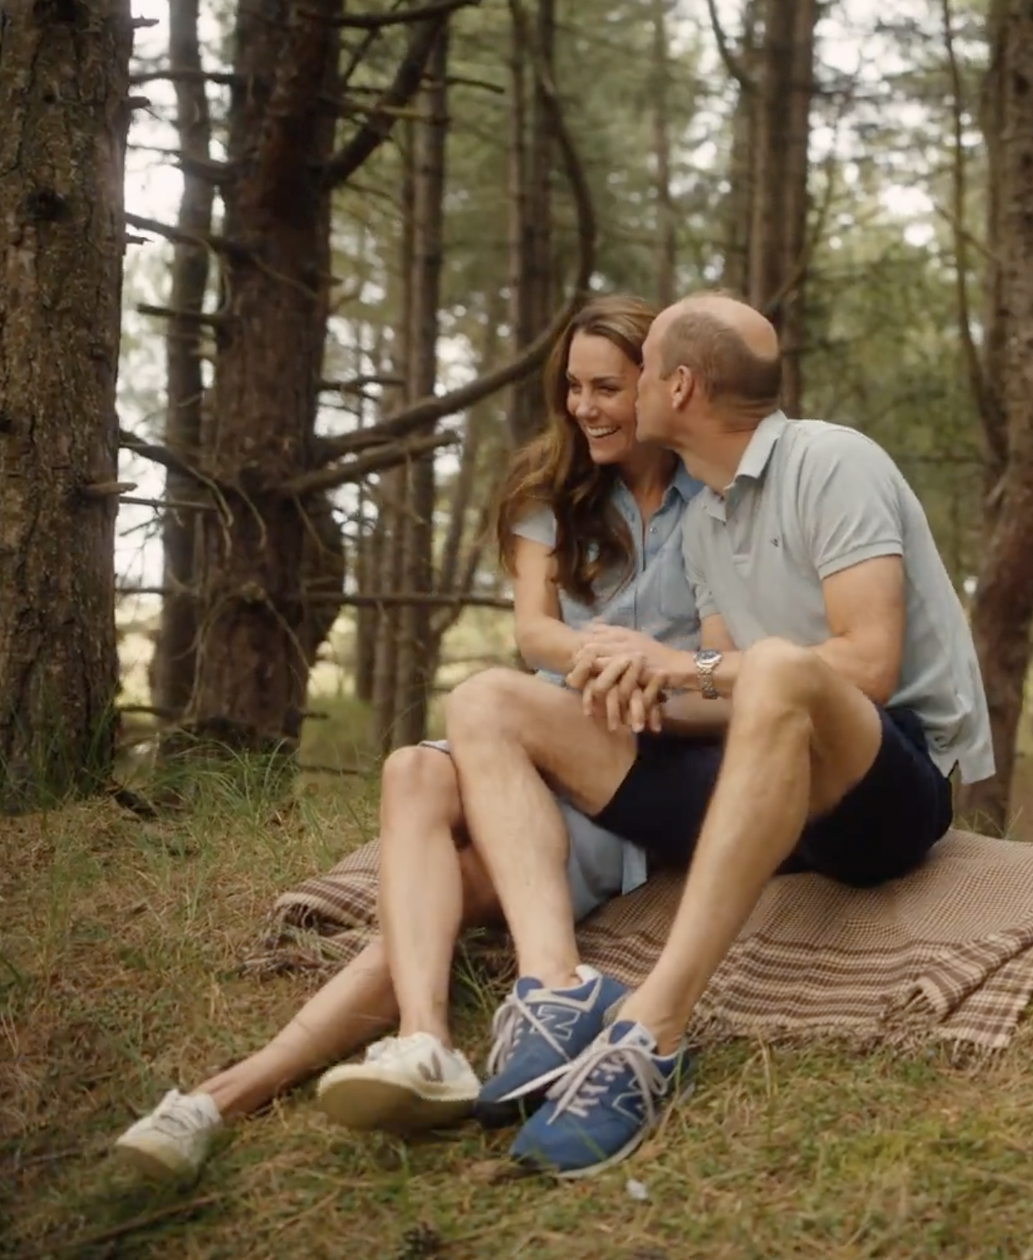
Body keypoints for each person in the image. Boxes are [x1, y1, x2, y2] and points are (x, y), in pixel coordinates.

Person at [110, 295, 711, 1181]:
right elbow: (536, 635)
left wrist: (656, 671)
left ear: (660, 388)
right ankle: (425, 1038)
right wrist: (613, 655)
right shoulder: (550, 489)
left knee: (425, 916)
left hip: (615, 771)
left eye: (608, 388)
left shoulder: (714, 498)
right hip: (526, 735)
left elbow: (721, 653)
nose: (586, 407)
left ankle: (219, 1098)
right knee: (410, 771)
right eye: (574, 387)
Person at [434, 291, 993, 1177]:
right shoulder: (708, 517)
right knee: (488, 701)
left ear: (680, 386)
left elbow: (867, 663)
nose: (617, 394)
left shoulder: (833, 462)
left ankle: (651, 1033)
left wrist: (680, 665)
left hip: (880, 787)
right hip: (758, 788)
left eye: (642, 370)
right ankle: (556, 989)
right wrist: (636, 683)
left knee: (777, 667)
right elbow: (722, 695)